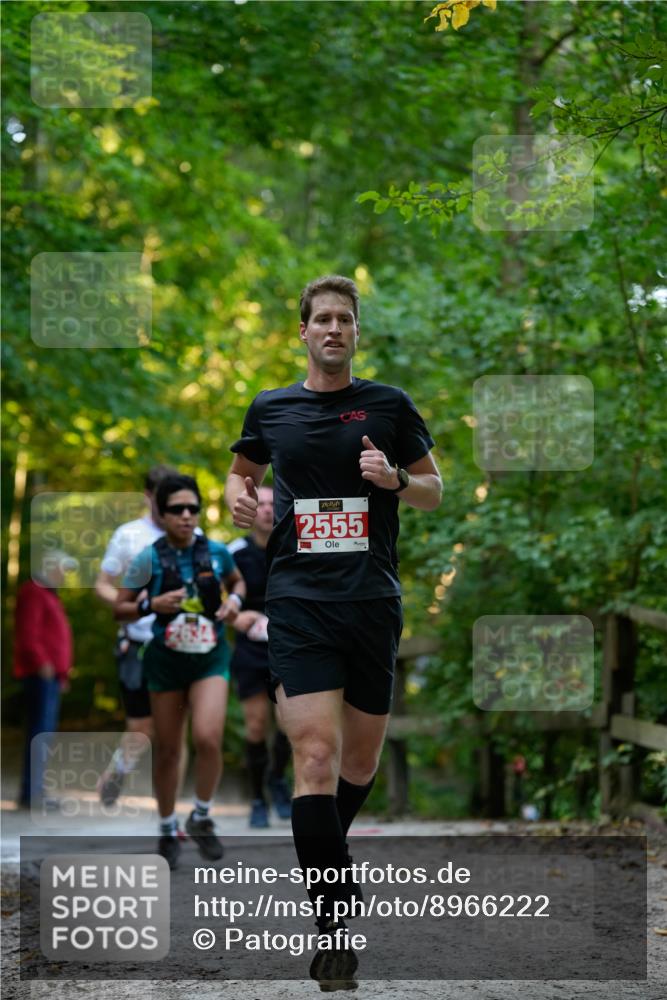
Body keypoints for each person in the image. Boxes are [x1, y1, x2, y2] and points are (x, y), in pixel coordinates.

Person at [225, 275, 441, 984]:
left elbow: (434, 488)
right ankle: (334, 920)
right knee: (314, 757)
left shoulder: (388, 405)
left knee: (357, 766)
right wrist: (240, 501)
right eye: (320, 318)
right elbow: (240, 473)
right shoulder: (271, 407)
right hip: (298, 601)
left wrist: (394, 483)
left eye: (343, 319)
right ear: (302, 331)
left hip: (370, 600)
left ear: (356, 331)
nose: (332, 329)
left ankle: (323, 852)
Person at [115, 474, 245, 870]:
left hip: (209, 658)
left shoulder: (218, 552)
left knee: (208, 737)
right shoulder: (147, 558)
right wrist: (151, 604)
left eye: (193, 508)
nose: (186, 516)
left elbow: (237, 582)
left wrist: (235, 601)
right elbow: (120, 607)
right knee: (169, 750)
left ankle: (201, 815)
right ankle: (168, 827)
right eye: (177, 509)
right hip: (166, 660)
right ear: (161, 512)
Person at [94, 465, 178, 805]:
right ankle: (118, 771)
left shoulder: (188, 530)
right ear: (147, 496)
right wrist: (132, 606)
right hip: (137, 642)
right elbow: (102, 584)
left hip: (179, 644)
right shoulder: (128, 535)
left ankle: (168, 810)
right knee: (143, 727)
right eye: (163, 500)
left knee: (173, 730)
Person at [228, 485, 292, 828]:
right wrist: (237, 618)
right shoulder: (233, 552)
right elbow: (212, 599)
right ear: (251, 510)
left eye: (273, 504)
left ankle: (278, 781)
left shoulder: (294, 545)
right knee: (255, 726)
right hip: (251, 648)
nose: (267, 509)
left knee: (289, 723)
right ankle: (257, 798)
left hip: (289, 645)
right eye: (261, 504)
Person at [14, 551, 74, 808]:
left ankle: (35, 791)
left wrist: (61, 673)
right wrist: (43, 665)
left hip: (51, 677)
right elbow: (28, 635)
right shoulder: (34, 592)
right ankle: (32, 794)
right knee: (39, 733)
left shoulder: (49, 594)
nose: (64, 575)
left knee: (45, 735)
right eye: (62, 569)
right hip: (39, 675)